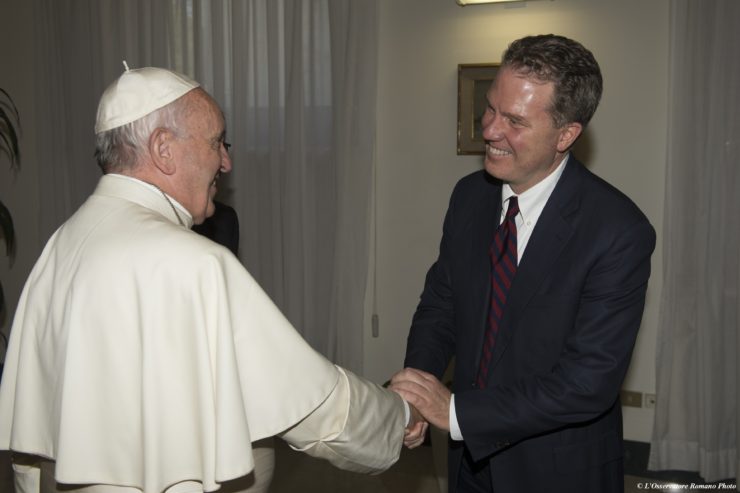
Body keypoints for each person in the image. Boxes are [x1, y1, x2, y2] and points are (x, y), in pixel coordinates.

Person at [0, 66, 418, 493]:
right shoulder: (193, 262)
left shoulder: (61, 243)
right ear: (163, 149)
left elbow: (31, 446)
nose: (226, 161)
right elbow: (317, 405)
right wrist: (401, 415)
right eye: (216, 142)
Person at [391, 34, 656, 492]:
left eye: (514, 120)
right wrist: (417, 394)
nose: (490, 130)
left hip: (555, 470)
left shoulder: (617, 230)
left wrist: (455, 413)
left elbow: (586, 383)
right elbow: (441, 307)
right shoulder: (469, 197)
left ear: (566, 135)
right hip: (467, 462)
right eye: (491, 108)